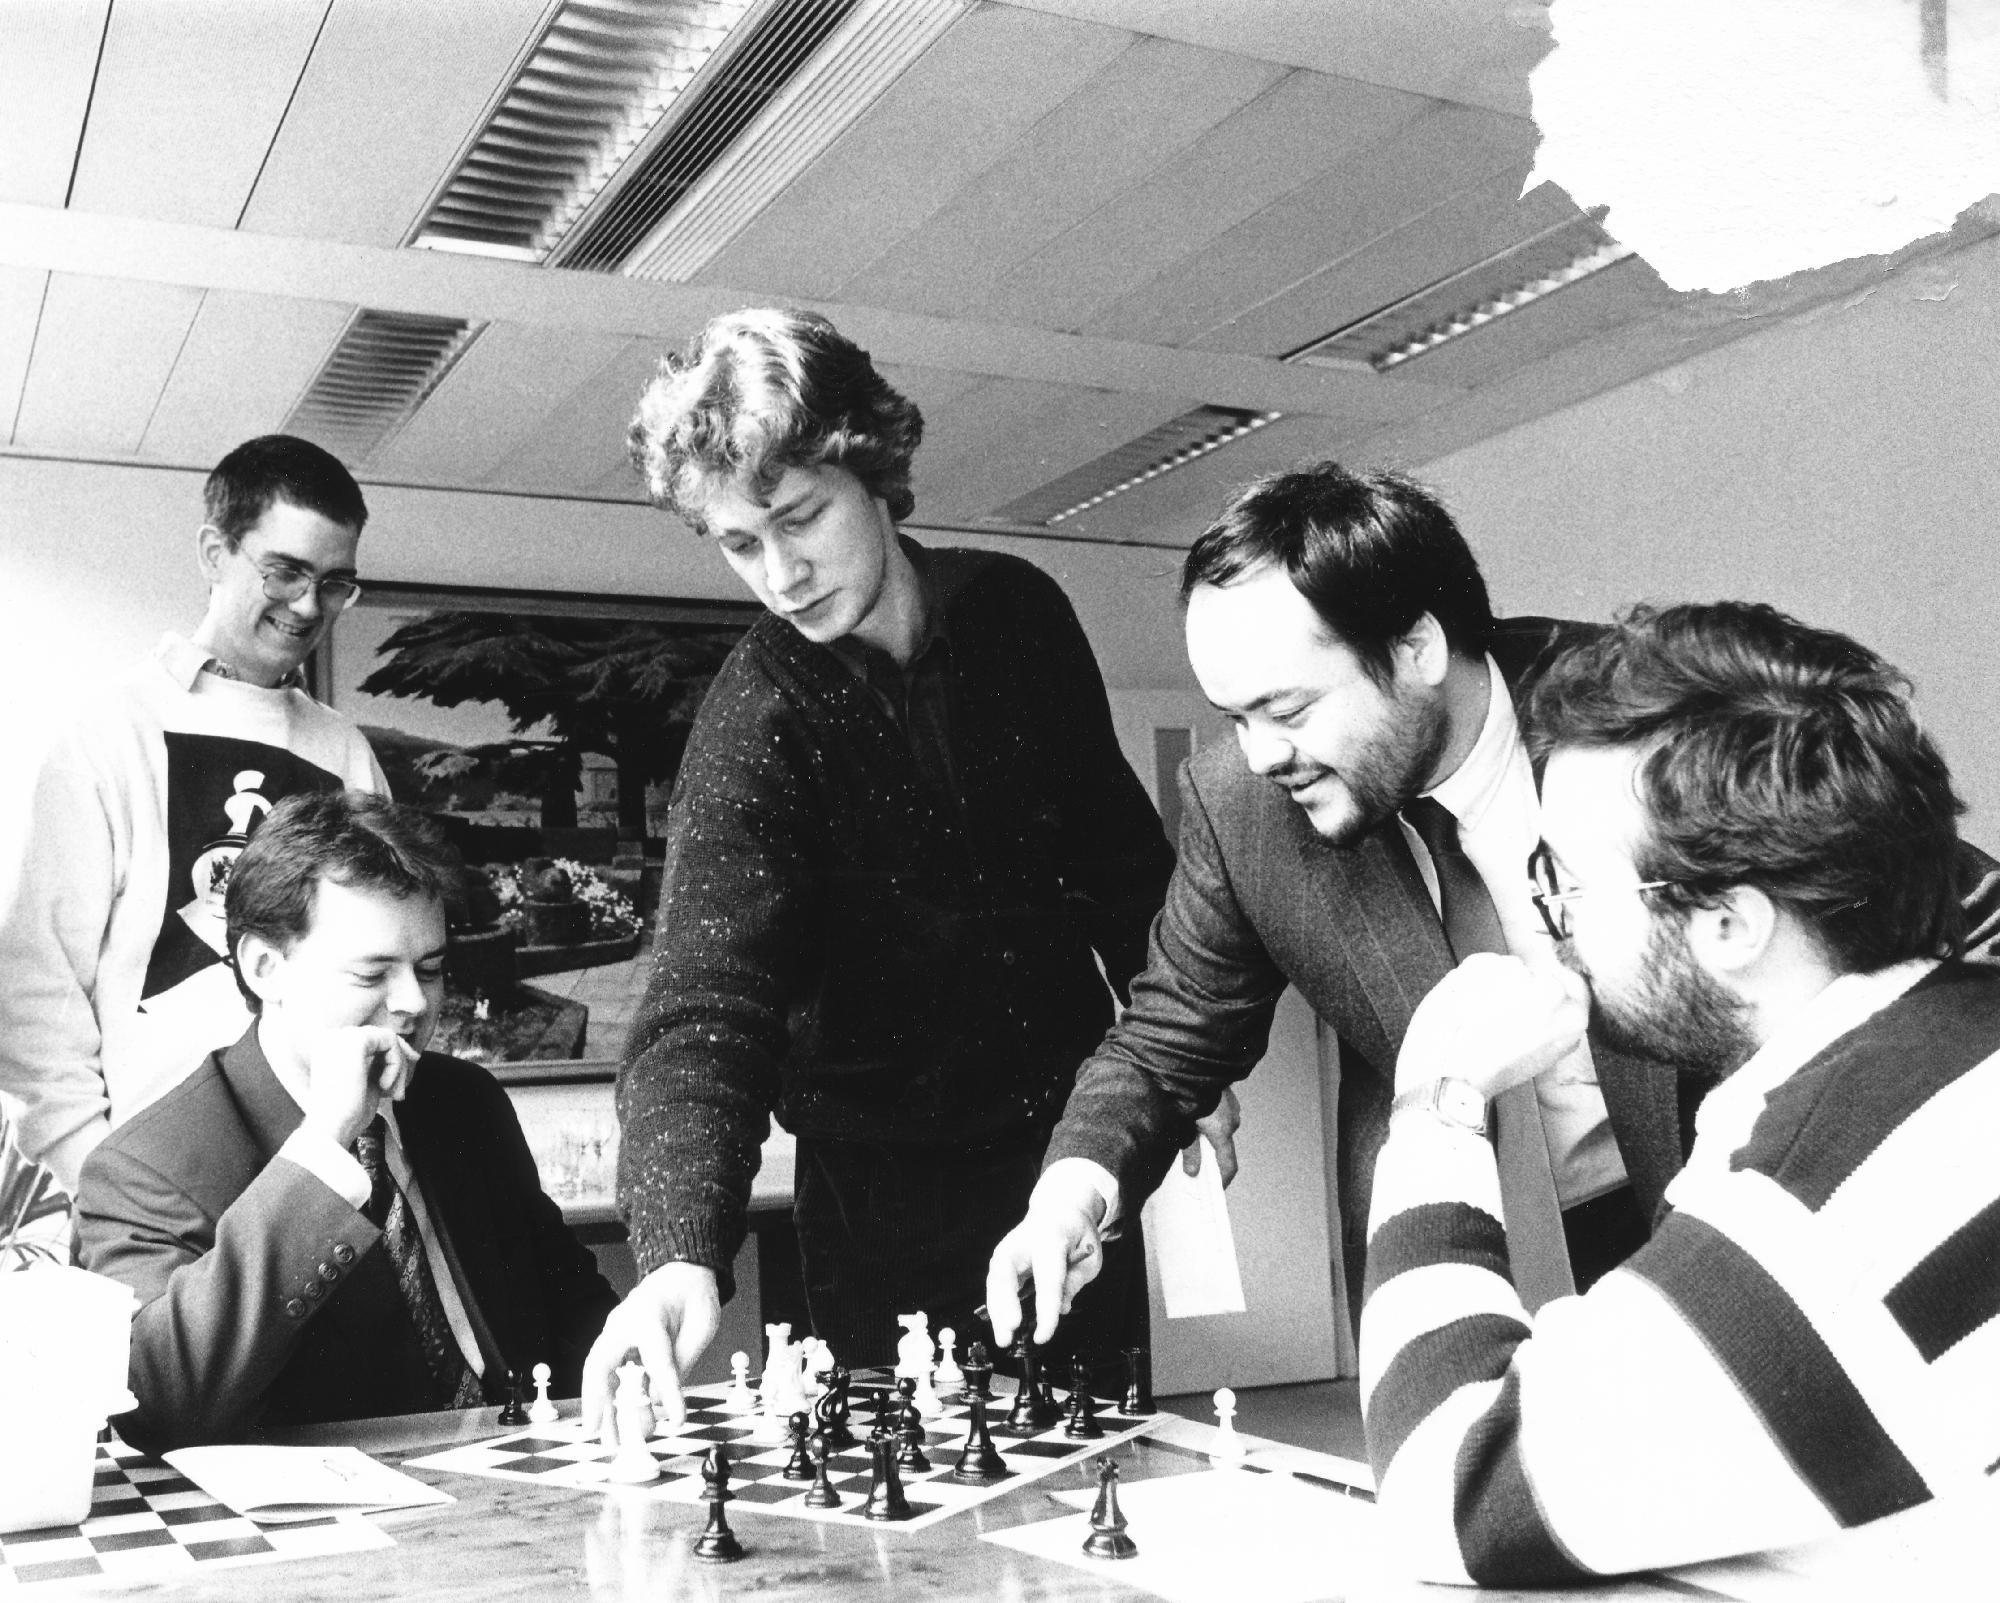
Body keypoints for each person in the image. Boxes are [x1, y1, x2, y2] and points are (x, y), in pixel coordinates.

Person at [985, 462, 2000, 1346]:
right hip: (1473, 1237)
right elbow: (1165, 1039)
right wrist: (1067, 1197)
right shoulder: (1243, 807)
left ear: (1416, 646)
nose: (1257, 754)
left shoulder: (1634, 717)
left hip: (1711, 1204)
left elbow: (1927, 883)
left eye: (1285, 708)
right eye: (1231, 716)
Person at [588, 308, 1177, 1423]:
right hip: (878, 1206)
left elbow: (1118, 856)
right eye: (737, 543)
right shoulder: (756, 720)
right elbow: (705, 1012)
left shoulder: (1018, 611)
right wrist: (678, 1251)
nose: (778, 574)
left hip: (1069, 1154)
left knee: (1098, 1485)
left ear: (876, 472)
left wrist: (1176, 1065)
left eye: (798, 518)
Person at [1361, 601, 2000, 1581]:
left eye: (1567, 885)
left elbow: (1447, 1488)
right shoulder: (1950, 1049)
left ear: (1729, 926)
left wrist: (1434, 1099)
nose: (1553, 925)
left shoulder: (1834, 1196)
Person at [72, 790, 618, 1451]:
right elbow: (159, 1406)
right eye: (373, 973)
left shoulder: (465, 1101)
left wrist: (630, 1379)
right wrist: (321, 1145)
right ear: (265, 967)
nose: (414, 1002)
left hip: (527, 1483)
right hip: (328, 1535)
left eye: (432, 968)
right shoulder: (144, 1165)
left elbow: (574, 1301)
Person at [0, 435, 386, 1192]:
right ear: (215, 552)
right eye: (285, 571)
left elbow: (376, 966)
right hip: (147, 1182)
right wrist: (100, 1174)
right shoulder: (112, 729)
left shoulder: (346, 755)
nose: (309, 605)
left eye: (335, 582)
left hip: (317, 1181)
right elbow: (35, 984)